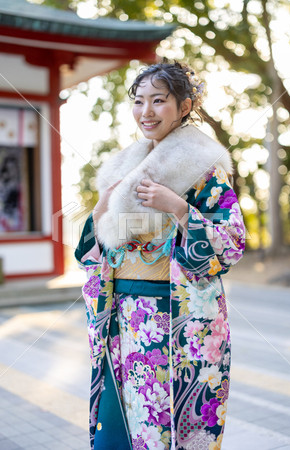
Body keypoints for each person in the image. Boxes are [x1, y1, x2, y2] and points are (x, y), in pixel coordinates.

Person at [75, 61, 245, 450]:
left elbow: (232, 242)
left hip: (175, 319)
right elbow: (89, 254)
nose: (146, 112)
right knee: (119, 423)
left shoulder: (202, 168)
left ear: (184, 106)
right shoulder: (124, 166)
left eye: (158, 100)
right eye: (139, 101)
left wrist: (179, 208)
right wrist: (101, 209)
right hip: (123, 315)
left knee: (165, 425)